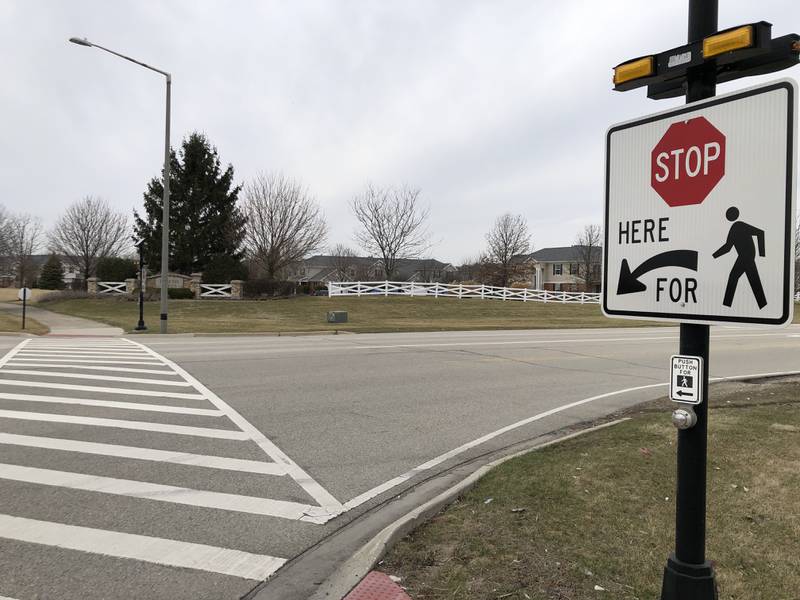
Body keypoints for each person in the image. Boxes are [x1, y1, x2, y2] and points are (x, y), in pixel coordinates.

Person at [712, 206, 767, 309]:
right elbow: (728, 247)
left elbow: (760, 233)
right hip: (745, 257)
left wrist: (762, 254)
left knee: (734, 277)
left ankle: (726, 305)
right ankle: (763, 305)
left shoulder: (739, 225)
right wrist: (714, 256)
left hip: (746, 257)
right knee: (753, 280)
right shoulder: (734, 228)